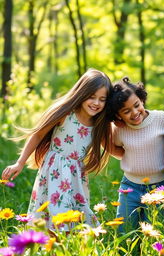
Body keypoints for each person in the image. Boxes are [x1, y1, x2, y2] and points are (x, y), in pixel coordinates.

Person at [2, 68, 112, 230]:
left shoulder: (98, 125)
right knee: (53, 214)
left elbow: (114, 149)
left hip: (77, 175)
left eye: (102, 99)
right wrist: (20, 162)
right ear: (82, 93)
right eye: (92, 97)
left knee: (75, 216)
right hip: (54, 171)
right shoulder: (66, 113)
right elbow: (38, 135)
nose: (96, 103)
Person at [107, 77, 164, 233]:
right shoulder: (120, 129)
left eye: (136, 105)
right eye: (126, 111)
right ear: (118, 115)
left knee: (155, 232)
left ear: (142, 99)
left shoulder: (161, 119)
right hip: (130, 186)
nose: (135, 113)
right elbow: (114, 148)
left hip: (160, 187)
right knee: (124, 230)